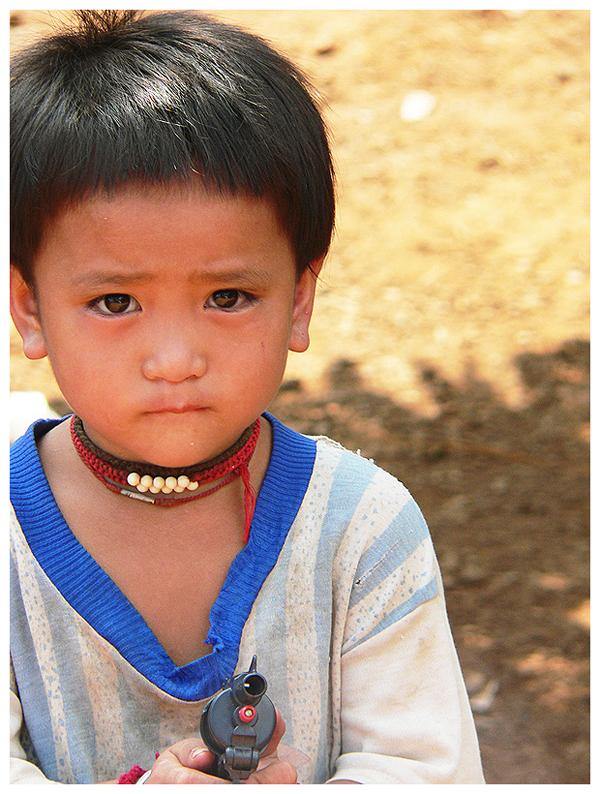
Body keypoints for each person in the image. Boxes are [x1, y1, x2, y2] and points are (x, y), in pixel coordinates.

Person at [10, 10, 485, 785]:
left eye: (227, 296)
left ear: (299, 300)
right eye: (115, 302)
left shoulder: (361, 531)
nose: (174, 360)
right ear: (29, 309)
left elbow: (428, 771)